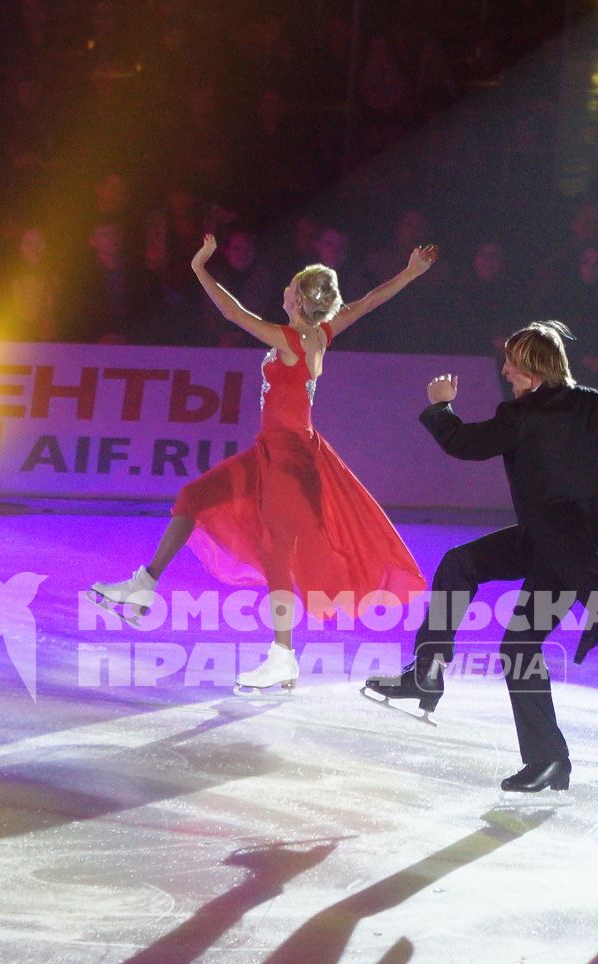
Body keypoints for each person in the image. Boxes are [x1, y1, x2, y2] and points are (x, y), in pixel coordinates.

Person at [363, 322, 598, 793]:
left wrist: (440, 406)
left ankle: (549, 759)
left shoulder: (522, 415)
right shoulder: (591, 404)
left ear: (530, 369)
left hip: (570, 552)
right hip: (551, 537)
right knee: (458, 564)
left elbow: (464, 444)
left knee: (519, 647)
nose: (504, 370)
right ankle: (426, 672)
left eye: (511, 363)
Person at [91, 234, 436, 693]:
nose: (285, 291)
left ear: (299, 299)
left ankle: (282, 656)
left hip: (291, 463)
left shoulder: (291, 339)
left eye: (291, 288)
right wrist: (409, 274)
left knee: (278, 555)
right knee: (194, 496)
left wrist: (199, 269)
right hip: (269, 453)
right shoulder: (321, 334)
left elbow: (234, 314)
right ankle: (143, 584)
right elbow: (370, 301)